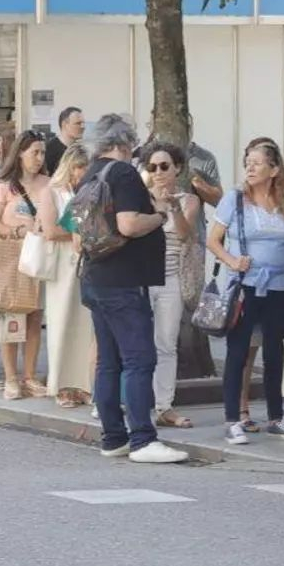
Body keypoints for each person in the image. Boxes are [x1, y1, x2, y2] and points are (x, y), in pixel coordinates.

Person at [77, 113, 186, 464]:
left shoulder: (90, 173)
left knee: (108, 361)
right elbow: (128, 224)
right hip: (123, 282)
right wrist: (160, 216)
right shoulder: (122, 173)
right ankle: (143, 438)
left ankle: (113, 437)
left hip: (95, 276)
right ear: (124, 143)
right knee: (140, 359)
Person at [209, 138, 284, 445]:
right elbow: (213, 240)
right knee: (238, 350)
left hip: (281, 284)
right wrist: (233, 261)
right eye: (248, 162)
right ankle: (232, 418)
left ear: (274, 169)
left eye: (257, 162)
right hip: (245, 284)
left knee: (275, 349)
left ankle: (276, 416)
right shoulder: (235, 199)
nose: (250, 167)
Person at [0, 131, 51, 398]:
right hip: (12, 257)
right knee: (11, 317)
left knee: (34, 319)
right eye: (34, 152)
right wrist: (16, 230)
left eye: (42, 152)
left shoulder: (49, 184)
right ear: (20, 153)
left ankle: (29, 375)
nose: (39, 158)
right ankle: (11, 377)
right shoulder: (3, 187)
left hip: (41, 257)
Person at [138, 141, 200, 427]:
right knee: (138, 342)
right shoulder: (139, 197)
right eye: (152, 167)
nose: (159, 172)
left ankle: (164, 406)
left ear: (177, 168)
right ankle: (137, 404)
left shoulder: (188, 199)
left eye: (165, 166)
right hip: (141, 277)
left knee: (166, 343)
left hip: (172, 277)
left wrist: (173, 208)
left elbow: (186, 235)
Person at [37, 144, 96, 407]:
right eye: (78, 167)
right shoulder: (52, 192)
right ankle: (61, 384)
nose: (81, 173)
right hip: (61, 262)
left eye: (85, 168)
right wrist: (75, 233)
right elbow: (49, 230)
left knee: (85, 325)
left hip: (83, 261)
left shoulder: (88, 191)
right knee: (61, 322)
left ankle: (83, 383)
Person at [44, 106, 85, 175]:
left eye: (83, 123)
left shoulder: (80, 150)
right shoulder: (49, 149)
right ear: (64, 124)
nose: (82, 127)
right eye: (78, 123)